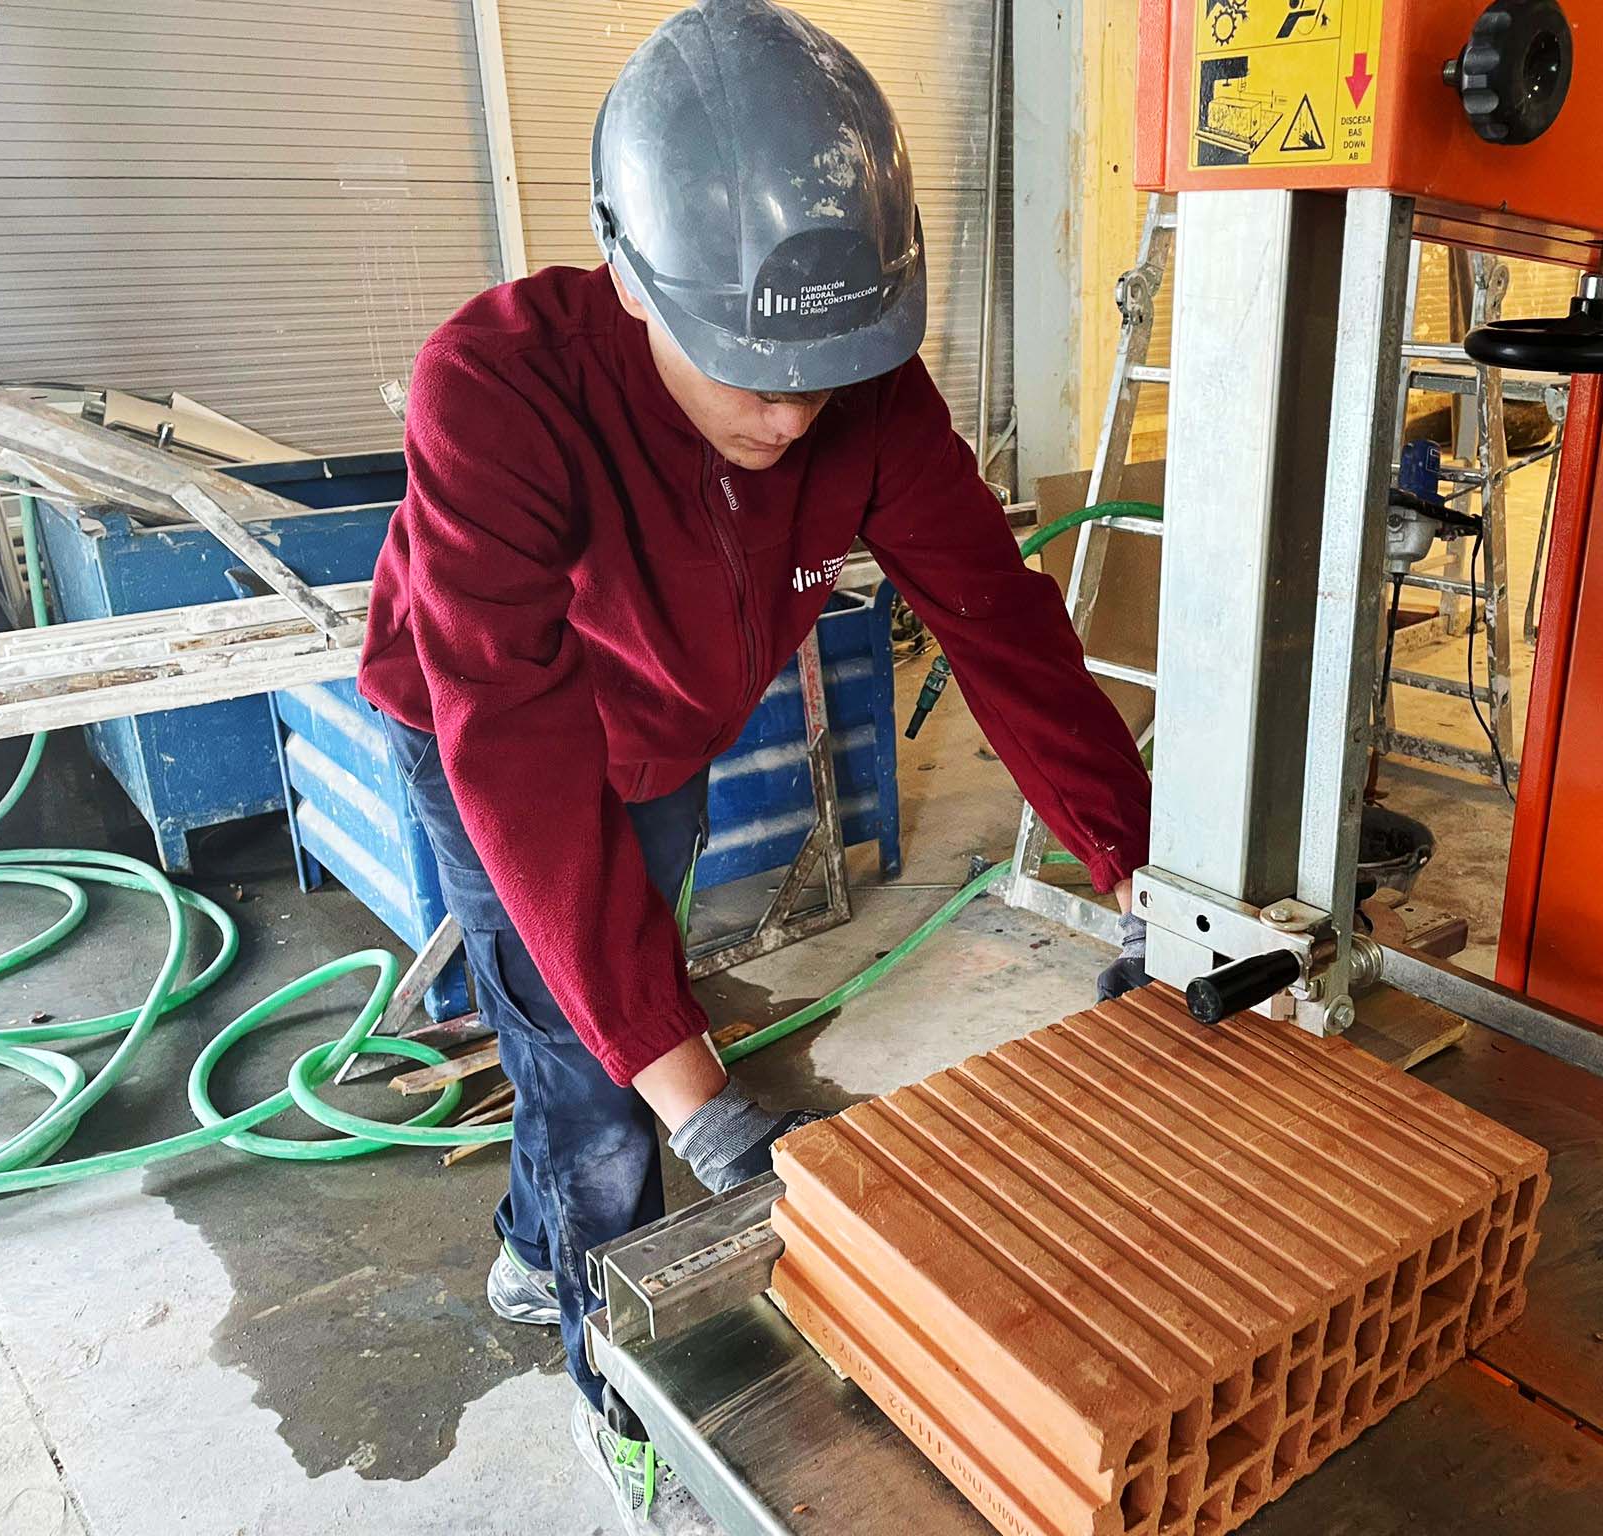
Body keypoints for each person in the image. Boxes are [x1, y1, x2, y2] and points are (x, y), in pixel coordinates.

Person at [355, 2, 1152, 1523]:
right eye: (751, 371)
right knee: (604, 1067)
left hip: (661, 724)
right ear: (634, 272)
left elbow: (1000, 623)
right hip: (481, 724)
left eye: (828, 376)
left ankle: (531, 1246)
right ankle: (615, 1379)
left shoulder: (869, 404)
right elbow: (514, 750)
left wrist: (1134, 872)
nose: (792, 416)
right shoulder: (503, 393)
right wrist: (702, 1099)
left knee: (599, 1004)